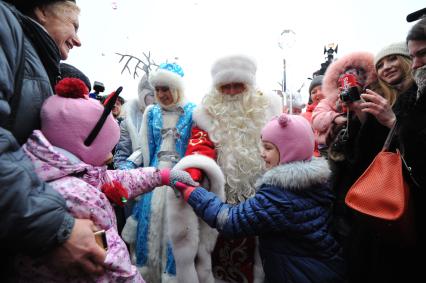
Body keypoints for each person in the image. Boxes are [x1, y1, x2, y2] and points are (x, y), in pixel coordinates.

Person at [15, 77, 196, 282]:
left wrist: (162, 175)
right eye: (106, 148)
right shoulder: (80, 196)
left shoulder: (64, 170)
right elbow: (115, 268)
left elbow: (116, 177)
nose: (110, 156)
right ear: (84, 145)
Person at [171, 113, 345, 283]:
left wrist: (193, 193)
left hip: (299, 274)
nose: (262, 153)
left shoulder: (280, 197)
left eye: (268, 148)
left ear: (290, 151)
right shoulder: (312, 182)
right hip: (318, 268)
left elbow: (229, 220)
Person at [0, 0, 106, 279]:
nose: (79, 40)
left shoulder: (37, 59)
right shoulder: (4, 26)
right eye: (74, 25)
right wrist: (53, 225)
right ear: (42, 9)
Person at [183, 54, 281, 282]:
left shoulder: (268, 110)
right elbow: (199, 146)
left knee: (265, 256)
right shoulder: (206, 114)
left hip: (265, 196)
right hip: (222, 198)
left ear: (250, 86)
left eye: (238, 86)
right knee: (223, 258)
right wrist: (192, 173)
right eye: (225, 87)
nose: (232, 92)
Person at [122, 62, 196, 282]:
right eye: (159, 89)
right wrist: (128, 166)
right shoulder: (151, 113)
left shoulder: (193, 111)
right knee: (148, 228)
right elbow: (142, 148)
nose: (162, 94)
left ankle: (173, 276)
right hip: (153, 181)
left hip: (181, 182)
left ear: (178, 88)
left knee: (176, 233)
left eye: (167, 88)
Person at [114, 74, 155, 170]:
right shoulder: (129, 122)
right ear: (142, 95)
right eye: (152, 95)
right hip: (138, 179)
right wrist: (126, 175)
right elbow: (121, 156)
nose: (158, 98)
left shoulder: (173, 118)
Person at [302, 75, 325, 157]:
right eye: (313, 92)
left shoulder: (339, 110)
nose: (318, 93)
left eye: (322, 89)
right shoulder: (304, 117)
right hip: (313, 159)